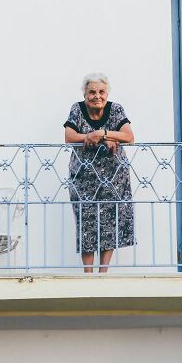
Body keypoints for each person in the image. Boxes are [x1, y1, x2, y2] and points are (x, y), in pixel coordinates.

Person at [64, 73, 135, 273]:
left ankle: (103, 272)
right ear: (85, 94)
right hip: (83, 177)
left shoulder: (116, 109)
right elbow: (69, 137)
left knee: (110, 221)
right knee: (86, 222)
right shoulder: (77, 109)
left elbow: (129, 136)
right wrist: (89, 136)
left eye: (101, 92)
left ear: (107, 93)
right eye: (92, 92)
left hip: (114, 177)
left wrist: (101, 134)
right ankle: (88, 273)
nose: (97, 96)